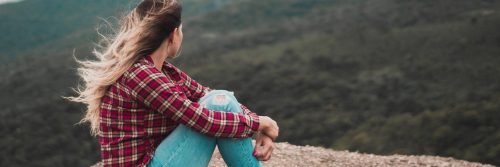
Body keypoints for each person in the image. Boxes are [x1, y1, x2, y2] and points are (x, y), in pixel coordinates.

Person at [69, 0, 279, 166]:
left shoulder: (161, 71)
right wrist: (262, 123)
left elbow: (207, 94)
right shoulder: (142, 75)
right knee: (218, 103)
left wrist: (259, 127)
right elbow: (202, 119)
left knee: (219, 98)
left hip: (154, 159)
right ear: (173, 34)